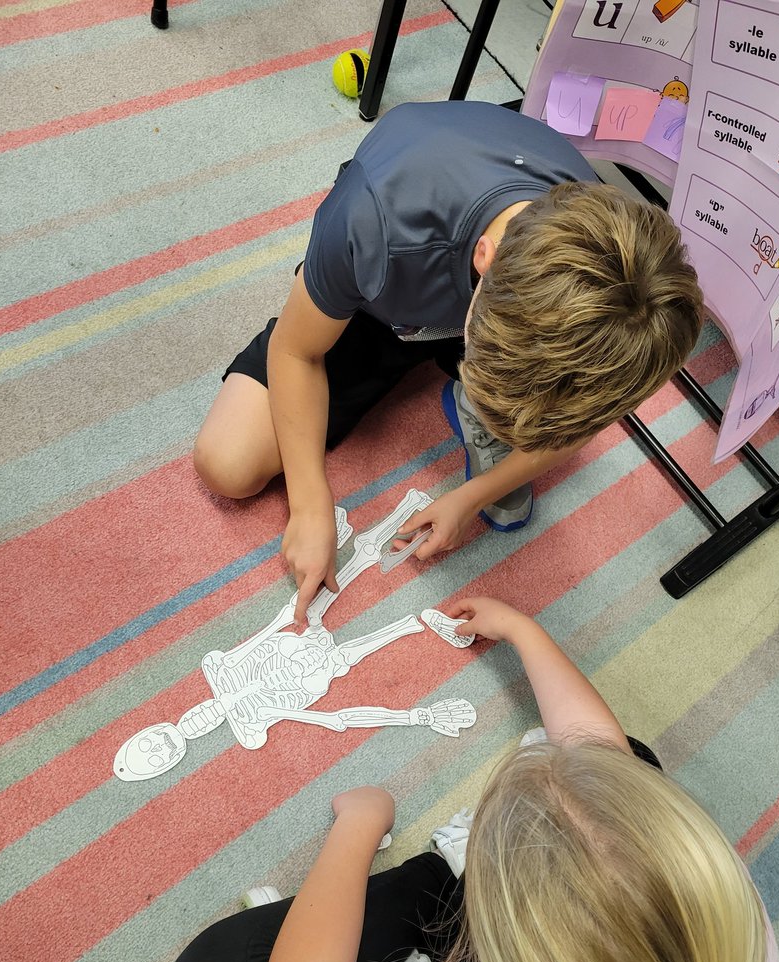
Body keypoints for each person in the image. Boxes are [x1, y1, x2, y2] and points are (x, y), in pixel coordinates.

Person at [157, 597, 779, 962]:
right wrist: (523, 631)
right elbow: (614, 768)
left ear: (494, 948)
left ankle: (438, 890)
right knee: (627, 766)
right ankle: (452, 889)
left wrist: (360, 822)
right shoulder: (739, 941)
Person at [193, 101, 704, 625]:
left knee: (541, 415)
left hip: (485, 306)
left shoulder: (628, 305)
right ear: (485, 256)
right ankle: (469, 374)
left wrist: (473, 496)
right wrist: (308, 503)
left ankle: (481, 391)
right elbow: (297, 350)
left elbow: (576, 424)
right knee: (227, 463)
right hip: (385, 302)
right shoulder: (374, 222)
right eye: (488, 377)